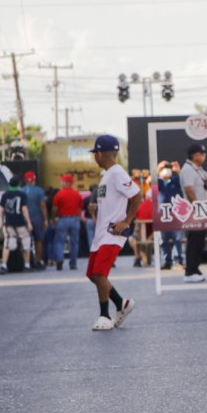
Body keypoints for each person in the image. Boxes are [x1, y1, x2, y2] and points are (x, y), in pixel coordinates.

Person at [85, 135, 140, 331]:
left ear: (100, 153)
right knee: (92, 274)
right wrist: (94, 212)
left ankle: (104, 315)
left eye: (95, 154)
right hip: (101, 233)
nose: (94, 158)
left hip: (112, 233)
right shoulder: (106, 175)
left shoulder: (117, 173)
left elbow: (136, 195)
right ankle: (121, 303)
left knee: (100, 273)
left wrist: (126, 220)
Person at [180, 142, 207, 283]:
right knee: (194, 241)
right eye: (202, 154)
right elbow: (189, 189)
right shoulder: (188, 169)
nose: (205, 156)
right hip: (195, 211)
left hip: (201, 211)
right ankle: (190, 272)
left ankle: (195, 269)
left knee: (199, 241)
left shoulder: (197, 169)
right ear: (195, 156)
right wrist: (197, 207)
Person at [0, 176, 33, 272]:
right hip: (21, 222)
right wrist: (29, 222)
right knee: (25, 243)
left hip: (9, 222)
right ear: (18, 184)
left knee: (7, 244)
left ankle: (4, 265)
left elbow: (2, 210)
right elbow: (24, 209)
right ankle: (27, 265)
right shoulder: (22, 194)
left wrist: (2, 222)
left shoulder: (5, 195)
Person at [52, 173, 83, 271]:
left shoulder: (59, 194)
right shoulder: (77, 194)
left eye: (62, 181)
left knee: (60, 241)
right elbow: (79, 208)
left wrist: (54, 217)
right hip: (74, 219)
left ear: (66, 182)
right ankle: (73, 264)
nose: (61, 182)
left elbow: (54, 208)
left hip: (62, 219)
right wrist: (77, 217)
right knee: (74, 243)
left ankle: (60, 260)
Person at [156, 160, 184, 270]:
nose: (166, 170)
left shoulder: (176, 180)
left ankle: (178, 260)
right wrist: (157, 170)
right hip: (162, 215)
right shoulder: (158, 181)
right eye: (164, 168)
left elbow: (184, 184)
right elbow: (149, 182)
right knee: (163, 239)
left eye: (168, 167)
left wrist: (178, 171)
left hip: (176, 214)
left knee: (177, 238)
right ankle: (167, 261)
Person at [21, 171, 48, 268]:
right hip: (37, 217)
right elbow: (42, 205)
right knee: (39, 240)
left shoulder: (21, 191)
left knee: (25, 240)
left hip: (25, 218)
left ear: (25, 180)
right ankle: (38, 260)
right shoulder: (39, 190)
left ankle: (27, 262)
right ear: (34, 180)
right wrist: (45, 219)